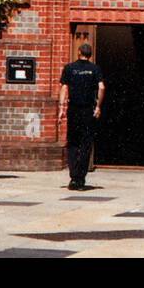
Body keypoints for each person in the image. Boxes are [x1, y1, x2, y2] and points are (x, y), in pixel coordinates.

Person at [58, 43, 105, 191]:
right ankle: (81, 178)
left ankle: (73, 176)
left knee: (72, 142)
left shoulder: (69, 68)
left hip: (73, 109)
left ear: (79, 52)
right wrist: (98, 106)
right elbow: (102, 87)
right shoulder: (95, 69)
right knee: (86, 143)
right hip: (88, 110)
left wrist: (61, 108)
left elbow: (64, 88)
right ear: (90, 54)